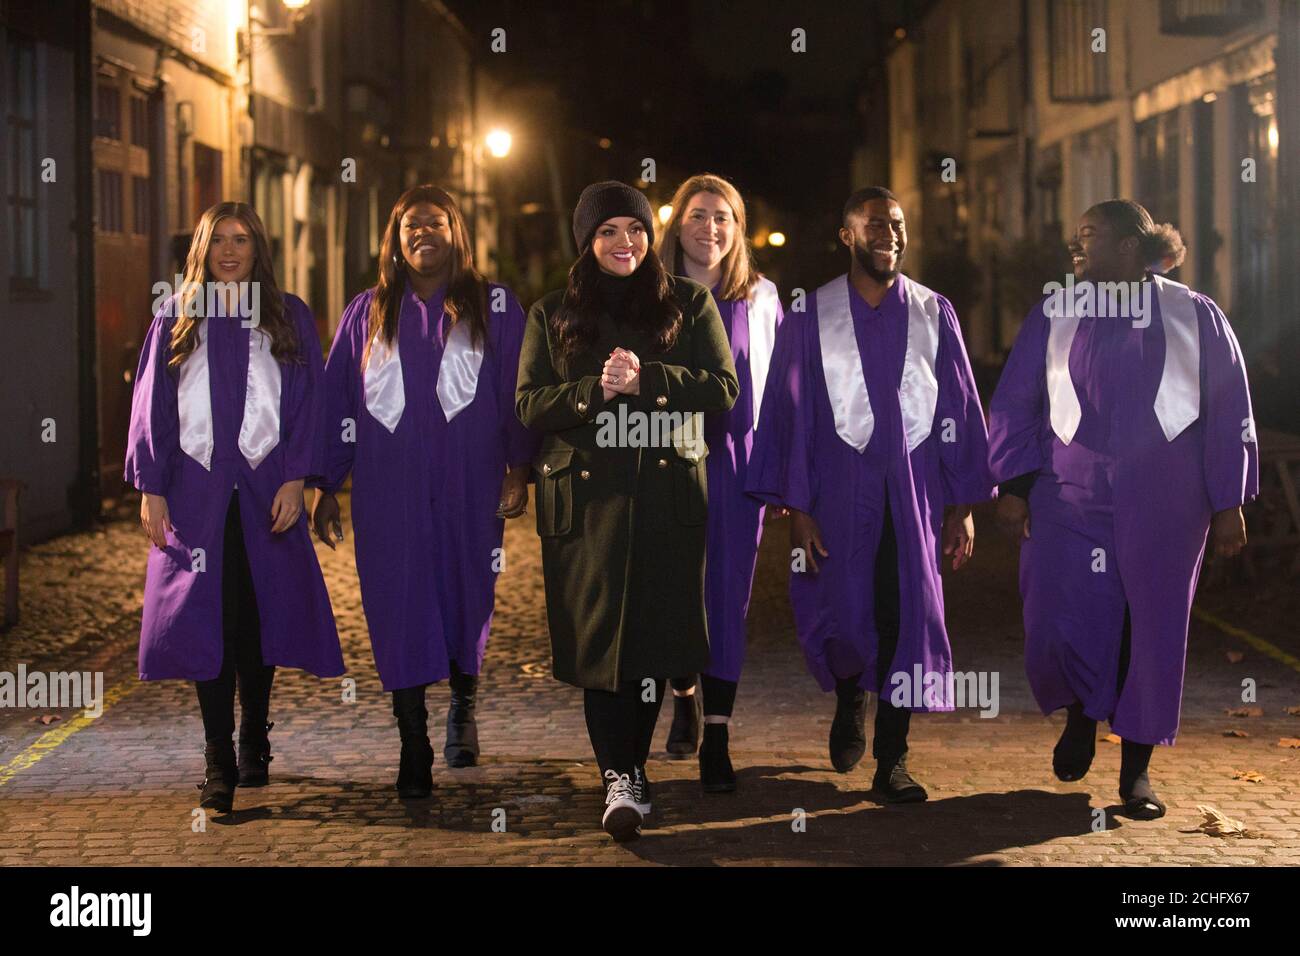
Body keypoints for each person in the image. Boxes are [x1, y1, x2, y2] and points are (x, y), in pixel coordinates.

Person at [987, 199, 1258, 819]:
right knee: (1060, 607)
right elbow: (1014, 401)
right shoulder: (1057, 310)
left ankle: (1136, 769)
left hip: (1167, 497)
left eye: (1089, 237)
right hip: (1068, 492)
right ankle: (1082, 713)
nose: (1076, 249)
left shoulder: (1195, 314)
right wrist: (1014, 483)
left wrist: (1228, 501)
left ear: (1131, 249)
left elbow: (1229, 410)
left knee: (1151, 624)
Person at [747, 187, 992, 802]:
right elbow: (789, 411)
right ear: (847, 235)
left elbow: (959, 407)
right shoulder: (812, 313)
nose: (890, 234)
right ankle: (850, 695)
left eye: (898, 224)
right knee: (843, 611)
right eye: (875, 224)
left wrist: (962, 507)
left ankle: (894, 761)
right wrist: (797, 509)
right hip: (835, 492)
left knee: (906, 615)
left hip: (914, 496)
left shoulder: (936, 312)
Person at [516, 180, 739, 839]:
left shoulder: (689, 304)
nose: (626, 242)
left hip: (666, 501)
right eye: (609, 231)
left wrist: (650, 381)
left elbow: (723, 388)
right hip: (586, 506)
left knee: (649, 643)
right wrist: (595, 393)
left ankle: (632, 771)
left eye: (636, 230)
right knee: (600, 646)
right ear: (586, 242)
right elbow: (530, 403)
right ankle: (619, 773)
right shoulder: (551, 312)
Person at [312, 185, 537, 798]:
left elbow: (517, 388)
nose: (423, 233)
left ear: (456, 233)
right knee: (397, 600)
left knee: (469, 591)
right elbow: (337, 400)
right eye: (411, 225)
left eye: (436, 222)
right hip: (390, 488)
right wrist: (326, 483)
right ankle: (413, 739)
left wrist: (520, 466)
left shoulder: (494, 305)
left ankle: (464, 706)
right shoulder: (367, 311)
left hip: (470, 480)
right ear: (396, 237)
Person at [126, 201, 344, 813]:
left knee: (257, 617)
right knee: (205, 621)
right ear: (201, 248)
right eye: (218, 239)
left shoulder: (286, 315)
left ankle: (255, 736)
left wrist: (297, 477)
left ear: (257, 250)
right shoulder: (175, 315)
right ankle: (217, 757)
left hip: (263, 487)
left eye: (241, 239)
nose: (229, 250)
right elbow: (153, 405)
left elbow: (308, 399)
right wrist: (151, 485)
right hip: (195, 494)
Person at [655, 174, 783, 792]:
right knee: (671, 589)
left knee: (727, 596)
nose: (711, 228)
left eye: (724, 217)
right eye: (698, 215)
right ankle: (683, 690)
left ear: (738, 229)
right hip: (662, 461)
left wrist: (783, 470)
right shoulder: (650, 295)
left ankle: (720, 733)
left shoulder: (760, 296)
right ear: (676, 223)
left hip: (738, 461)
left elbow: (781, 391)